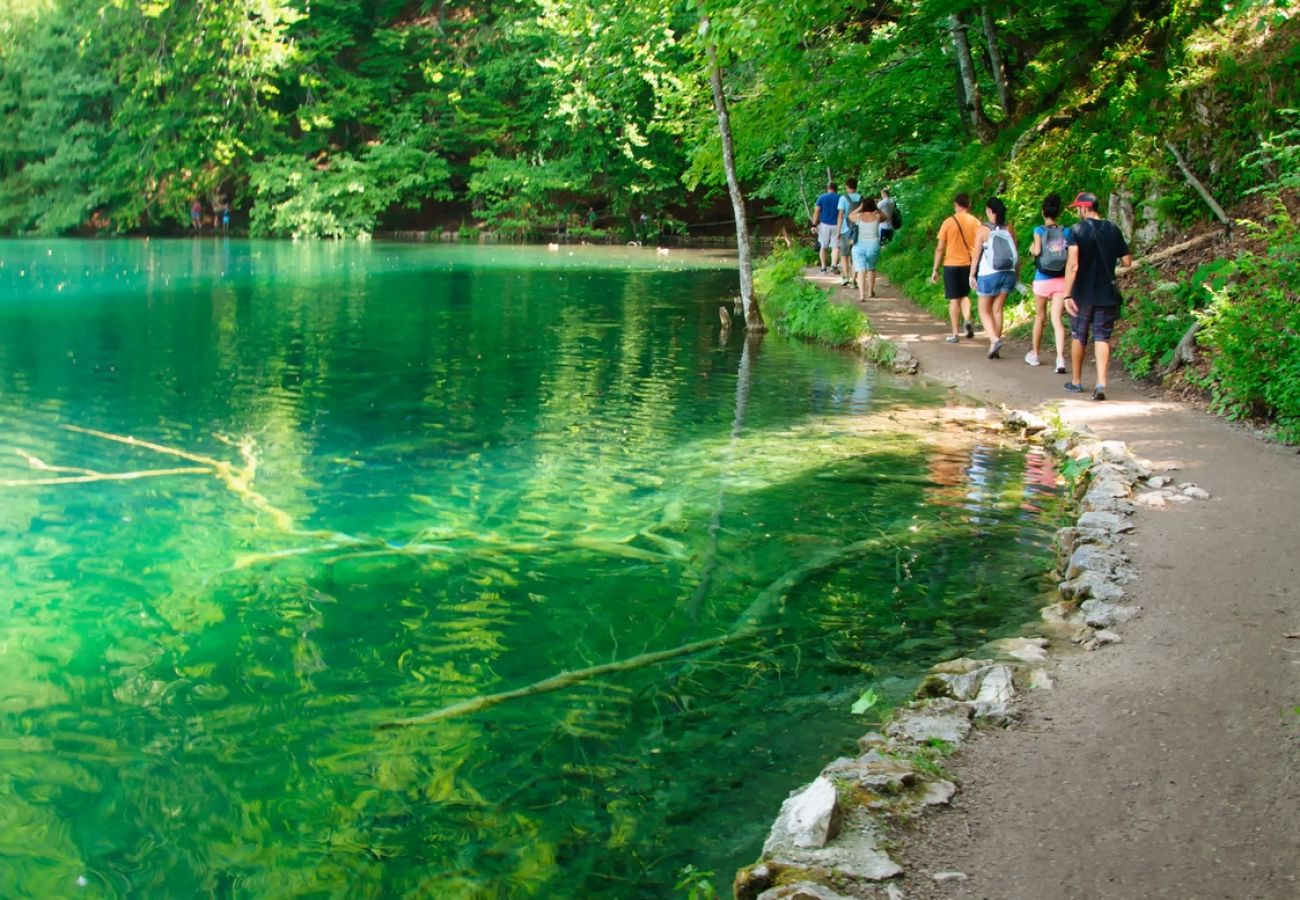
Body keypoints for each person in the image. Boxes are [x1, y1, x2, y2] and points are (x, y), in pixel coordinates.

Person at [1062, 191, 1132, 401]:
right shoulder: (1113, 229)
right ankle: (1101, 382)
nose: (1077, 212)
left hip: (1081, 294)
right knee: (1102, 337)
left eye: (1077, 208)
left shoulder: (1075, 231)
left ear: (1084, 208)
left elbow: (1073, 265)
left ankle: (1076, 381)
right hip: (1105, 293)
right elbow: (1127, 261)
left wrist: (1067, 295)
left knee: (1078, 335)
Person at [1025, 193, 1073, 372]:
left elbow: (1037, 251)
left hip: (1043, 279)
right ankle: (1060, 359)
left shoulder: (1039, 230)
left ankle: (1035, 354)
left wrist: (1031, 248)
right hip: (1061, 279)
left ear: (1043, 212)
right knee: (1056, 319)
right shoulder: (1066, 231)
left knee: (1040, 317)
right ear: (1058, 212)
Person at [968, 196, 1018, 359]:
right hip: (1008, 273)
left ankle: (994, 340)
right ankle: (994, 346)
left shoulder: (983, 230)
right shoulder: (1009, 227)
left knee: (983, 310)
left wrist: (971, 274)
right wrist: (1016, 274)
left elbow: (976, 256)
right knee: (997, 309)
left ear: (990, 211)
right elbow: (1015, 253)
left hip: (988, 274)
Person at [930, 193, 980, 343]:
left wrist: (935, 269)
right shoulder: (976, 222)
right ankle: (967, 319)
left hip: (951, 264)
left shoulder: (948, 222)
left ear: (955, 205)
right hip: (969, 264)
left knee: (953, 299)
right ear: (968, 205)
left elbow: (940, 248)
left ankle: (954, 334)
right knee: (964, 296)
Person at [848, 196, 887, 301]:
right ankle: (870, 292)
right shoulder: (877, 216)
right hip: (873, 246)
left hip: (859, 246)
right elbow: (886, 217)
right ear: (873, 206)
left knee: (861, 270)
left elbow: (849, 215)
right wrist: (877, 208)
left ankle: (861, 295)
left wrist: (860, 207)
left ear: (863, 206)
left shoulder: (859, 216)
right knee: (871, 268)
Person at [836, 177, 862, 286]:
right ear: (856, 186)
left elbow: (841, 216)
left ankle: (846, 276)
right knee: (855, 254)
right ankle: (854, 280)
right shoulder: (861, 198)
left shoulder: (843, 198)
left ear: (847, 186)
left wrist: (838, 231)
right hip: (858, 230)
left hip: (846, 230)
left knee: (844, 254)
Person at [811, 181, 841, 274]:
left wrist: (813, 224)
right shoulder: (840, 198)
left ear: (827, 188)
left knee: (823, 246)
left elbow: (816, 212)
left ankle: (823, 267)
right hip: (837, 225)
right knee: (836, 247)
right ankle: (833, 265)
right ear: (836, 189)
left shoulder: (822, 197)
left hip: (824, 225)